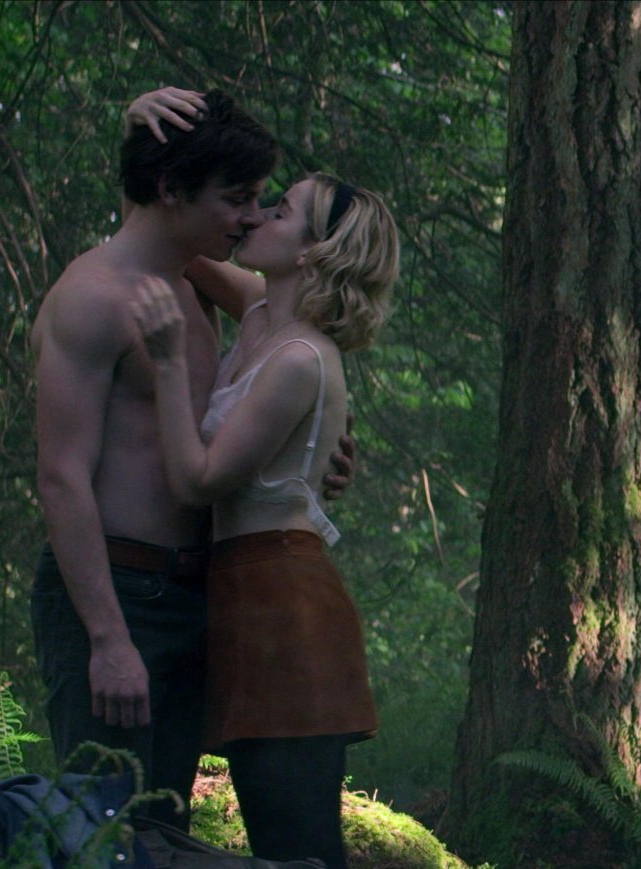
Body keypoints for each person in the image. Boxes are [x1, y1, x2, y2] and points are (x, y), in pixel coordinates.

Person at [29, 90, 353, 831]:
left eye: (260, 200)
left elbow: (296, 341)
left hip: (199, 590)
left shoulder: (194, 280)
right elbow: (61, 477)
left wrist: (321, 446)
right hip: (118, 589)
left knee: (164, 832)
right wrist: (108, 638)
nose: (250, 217)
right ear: (174, 190)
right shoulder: (92, 299)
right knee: (108, 832)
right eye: (236, 199)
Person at [128, 162, 398, 867]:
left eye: (280, 211)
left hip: (285, 610)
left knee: (297, 848)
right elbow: (168, 233)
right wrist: (144, 134)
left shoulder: (300, 358)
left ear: (311, 251)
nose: (256, 216)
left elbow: (199, 481)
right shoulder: (259, 310)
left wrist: (168, 364)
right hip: (241, 597)